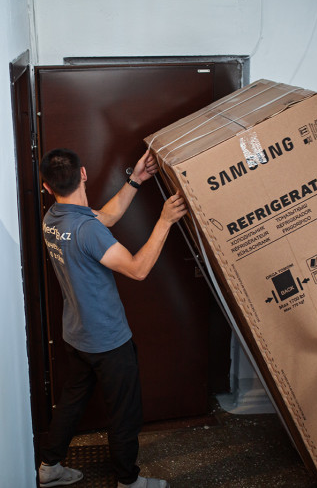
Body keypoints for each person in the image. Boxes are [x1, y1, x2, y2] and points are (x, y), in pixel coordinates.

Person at [37, 147, 186, 488]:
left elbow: (105, 217)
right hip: (107, 340)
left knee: (72, 402)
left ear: (47, 187)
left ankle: (49, 466)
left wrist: (136, 180)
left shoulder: (53, 218)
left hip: (77, 336)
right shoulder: (87, 230)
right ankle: (128, 482)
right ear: (83, 174)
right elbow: (137, 269)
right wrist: (164, 221)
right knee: (124, 413)